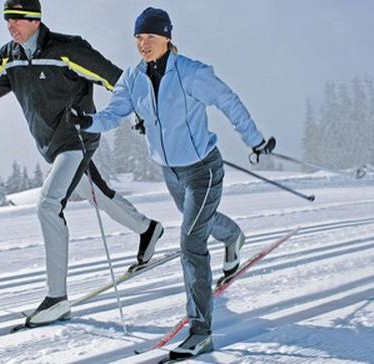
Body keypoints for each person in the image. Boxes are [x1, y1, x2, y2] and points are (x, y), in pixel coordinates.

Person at [0, 0, 165, 326]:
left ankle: (57, 299)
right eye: (7, 18)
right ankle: (148, 229)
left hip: (78, 139)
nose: (11, 24)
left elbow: (116, 80)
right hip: (52, 146)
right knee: (97, 195)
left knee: (48, 204)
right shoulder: (8, 57)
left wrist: (141, 111)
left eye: (18, 18)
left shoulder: (67, 49)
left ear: (35, 20)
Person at [67, 7, 275, 360]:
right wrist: (87, 121)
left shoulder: (191, 73)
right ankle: (233, 235)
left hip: (203, 170)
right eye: (138, 38)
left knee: (191, 242)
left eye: (149, 37)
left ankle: (200, 330)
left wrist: (255, 141)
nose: (143, 44)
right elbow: (114, 114)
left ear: (167, 37)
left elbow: (229, 102)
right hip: (171, 172)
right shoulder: (133, 78)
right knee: (197, 222)